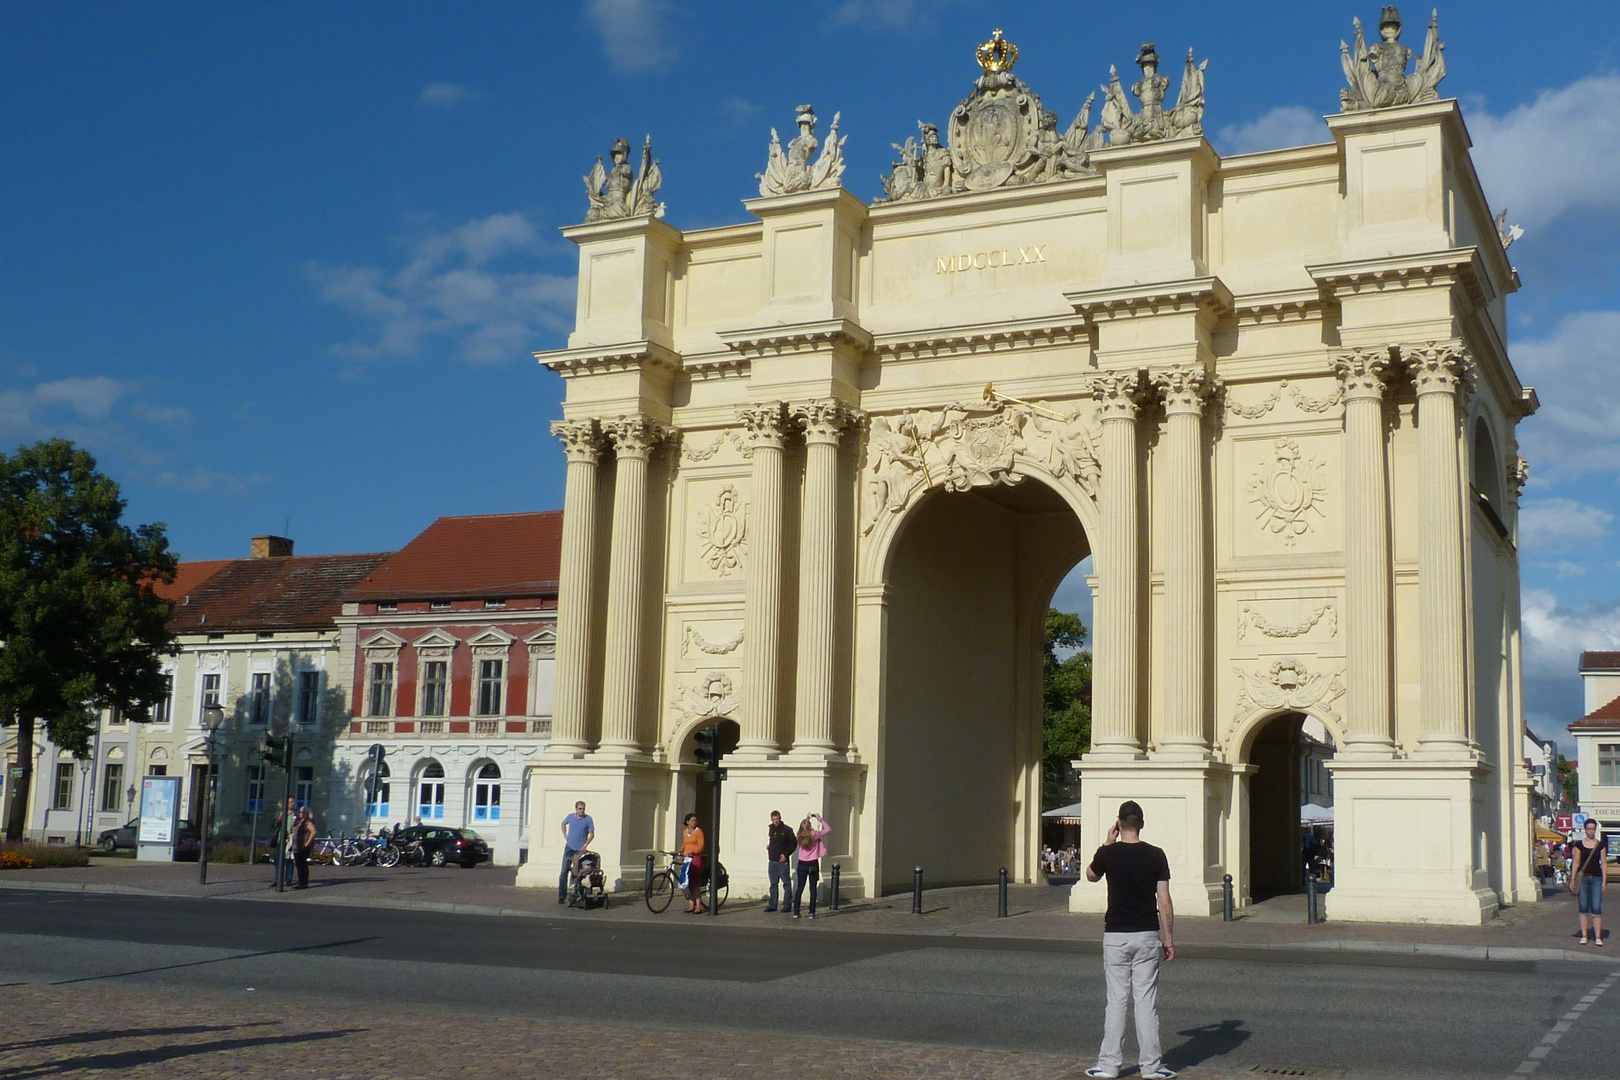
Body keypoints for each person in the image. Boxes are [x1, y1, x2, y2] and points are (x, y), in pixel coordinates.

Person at [1083, 800, 1177, 1080]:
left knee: (1116, 1002)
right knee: (1146, 1003)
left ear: (1119, 824)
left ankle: (1109, 1066)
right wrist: (1168, 939)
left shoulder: (1107, 854)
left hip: (1116, 934)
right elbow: (1164, 901)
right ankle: (1151, 1067)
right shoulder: (1156, 855)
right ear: (1142, 824)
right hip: (1147, 934)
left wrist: (1106, 843)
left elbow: (1090, 876)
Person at [1571, 818, 1608, 945]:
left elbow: (1603, 863)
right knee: (1583, 906)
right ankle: (1584, 935)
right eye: (1589, 829)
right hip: (1584, 878)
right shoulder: (1579, 844)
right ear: (1585, 829)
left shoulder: (1600, 845)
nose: (1591, 831)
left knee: (1596, 907)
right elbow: (1576, 862)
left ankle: (1598, 937)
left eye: (1593, 829)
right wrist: (1573, 879)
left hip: (1596, 878)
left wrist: (1604, 880)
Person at [792, 813, 830, 920]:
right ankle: (811, 912)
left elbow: (802, 828)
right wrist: (819, 819)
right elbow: (828, 829)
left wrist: (806, 818)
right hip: (813, 863)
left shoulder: (799, 835)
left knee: (800, 888)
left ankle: (796, 912)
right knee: (813, 889)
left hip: (802, 863)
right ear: (810, 826)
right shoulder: (815, 834)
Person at [558, 801, 595, 905]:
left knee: (577, 872)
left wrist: (585, 845)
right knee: (564, 872)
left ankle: (577, 893)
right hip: (569, 848)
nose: (581, 811)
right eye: (579, 809)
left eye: (583, 809)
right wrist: (565, 835)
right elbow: (563, 824)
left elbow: (592, 834)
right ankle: (562, 896)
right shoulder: (571, 817)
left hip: (580, 850)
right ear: (576, 809)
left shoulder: (588, 819)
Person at [765, 810, 796, 913]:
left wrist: (786, 855)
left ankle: (787, 905)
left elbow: (793, 844)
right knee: (773, 884)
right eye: (774, 819)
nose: (775, 821)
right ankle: (772, 905)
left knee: (786, 883)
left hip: (782, 862)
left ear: (780, 818)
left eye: (777, 819)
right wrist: (770, 847)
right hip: (772, 860)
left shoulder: (787, 830)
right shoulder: (771, 828)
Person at [680, 813, 706, 914]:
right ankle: (691, 905)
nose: (694, 822)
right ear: (687, 822)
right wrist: (678, 851)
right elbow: (685, 844)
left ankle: (698, 906)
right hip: (686, 858)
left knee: (695, 883)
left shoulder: (699, 832)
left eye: (695, 820)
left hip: (695, 858)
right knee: (687, 882)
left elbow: (701, 845)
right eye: (692, 820)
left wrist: (694, 852)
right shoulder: (685, 832)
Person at [270, 797, 296, 888]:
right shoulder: (281, 813)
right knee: (278, 861)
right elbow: (273, 826)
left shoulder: (295, 815)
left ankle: (288, 879)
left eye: (293, 802)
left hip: (290, 840)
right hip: (280, 840)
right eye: (290, 802)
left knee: (289, 860)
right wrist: (278, 819)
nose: (292, 804)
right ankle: (277, 880)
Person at [292, 806, 317, 890]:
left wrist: (307, 843)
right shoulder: (298, 821)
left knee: (303, 864)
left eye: (303, 812)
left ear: (307, 813)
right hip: (296, 845)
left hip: (303, 845)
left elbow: (313, 832)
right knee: (298, 865)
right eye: (300, 812)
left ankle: (304, 883)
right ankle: (300, 882)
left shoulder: (308, 822)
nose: (301, 814)